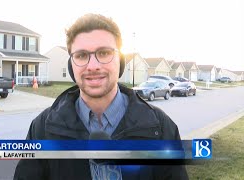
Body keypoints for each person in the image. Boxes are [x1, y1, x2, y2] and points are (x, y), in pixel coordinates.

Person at [14, 13, 188, 180]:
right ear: (71, 66)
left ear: (119, 61)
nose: (93, 66)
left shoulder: (161, 128)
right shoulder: (42, 129)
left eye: (104, 53)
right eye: (81, 55)